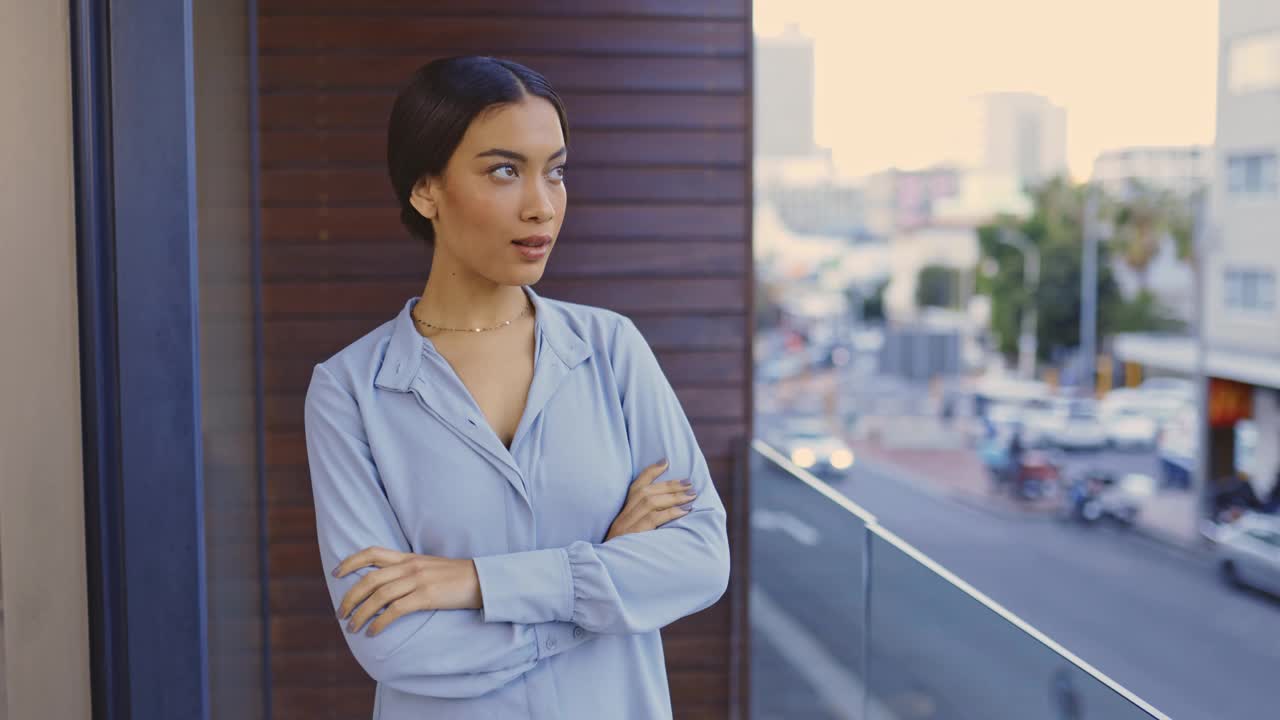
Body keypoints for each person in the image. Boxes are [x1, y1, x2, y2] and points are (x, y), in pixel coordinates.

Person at [303, 56, 731, 719]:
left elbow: (700, 561)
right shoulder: (349, 392)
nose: (542, 205)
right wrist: (609, 577)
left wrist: (475, 582)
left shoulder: (611, 349)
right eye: (505, 170)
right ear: (425, 189)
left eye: (555, 171)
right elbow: (394, 642)